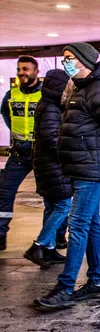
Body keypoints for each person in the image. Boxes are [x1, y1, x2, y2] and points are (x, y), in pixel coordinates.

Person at [35, 42, 100, 310]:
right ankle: (98, 282)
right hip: (83, 166)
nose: (64, 63)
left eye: (68, 58)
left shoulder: (99, 89)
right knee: (90, 225)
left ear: (83, 61)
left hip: (92, 168)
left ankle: (65, 287)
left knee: (77, 225)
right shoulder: (81, 89)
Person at [24, 70, 73, 268]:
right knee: (64, 206)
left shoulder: (48, 106)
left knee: (52, 206)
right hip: (53, 166)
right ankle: (39, 245)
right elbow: (52, 139)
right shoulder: (52, 109)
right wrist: (68, 156)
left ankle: (50, 249)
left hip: (46, 165)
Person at [0, 55, 42, 251]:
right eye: (19, 69)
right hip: (18, 152)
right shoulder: (11, 94)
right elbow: (6, 115)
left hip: (42, 152)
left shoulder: (45, 95)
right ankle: (0, 235)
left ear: (36, 71)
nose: (21, 73)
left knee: (54, 196)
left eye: (26, 69)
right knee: (4, 192)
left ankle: (56, 237)